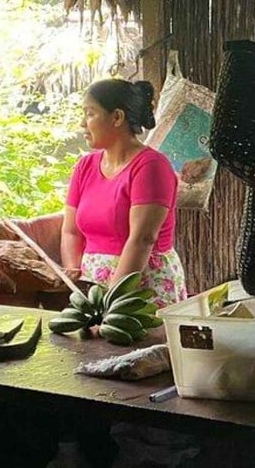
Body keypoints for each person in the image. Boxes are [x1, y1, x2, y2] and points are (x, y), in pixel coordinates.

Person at [60, 79, 187, 310]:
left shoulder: (150, 167)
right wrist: (74, 275)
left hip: (142, 284)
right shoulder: (84, 167)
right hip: (94, 287)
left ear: (117, 117)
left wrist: (111, 303)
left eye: (90, 114)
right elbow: (70, 230)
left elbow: (142, 239)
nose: (82, 124)